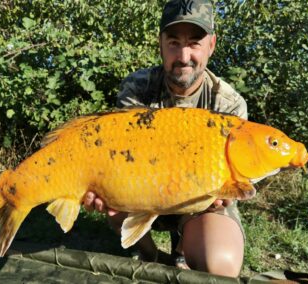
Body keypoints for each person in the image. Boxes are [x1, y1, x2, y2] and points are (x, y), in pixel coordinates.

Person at [83, 0, 247, 278]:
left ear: (212, 45)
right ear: (160, 43)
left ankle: (182, 250)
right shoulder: (138, 87)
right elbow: (118, 156)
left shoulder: (229, 104)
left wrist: (223, 194)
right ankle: (146, 251)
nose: (183, 56)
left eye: (195, 43)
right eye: (173, 42)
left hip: (198, 205)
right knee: (109, 190)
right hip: (144, 191)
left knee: (219, 264)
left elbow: (236, 182)